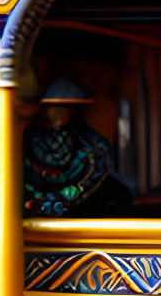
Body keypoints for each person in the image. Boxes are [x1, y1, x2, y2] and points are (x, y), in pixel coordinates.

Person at [22, 78, 127, 216]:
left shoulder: (92, 146)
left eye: (62, 108)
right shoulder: (31, 140)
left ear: (73, 111)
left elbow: (97, 168)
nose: (55, 113)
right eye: (51, 107)